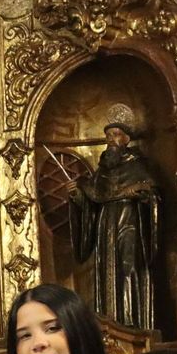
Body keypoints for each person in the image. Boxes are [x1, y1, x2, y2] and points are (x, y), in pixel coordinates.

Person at [66, 121, 160, 332]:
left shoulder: (138, 166)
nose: (111, 140)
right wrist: (77, 195)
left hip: (129, 224)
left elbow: (152, 194)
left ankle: (131, 323)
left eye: (116, 135)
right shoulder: (102, 171)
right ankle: (108, 321)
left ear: (126, 139)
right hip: (105, 225)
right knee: (106, 271)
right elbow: (93, 199)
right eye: (108, 135)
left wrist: (144, 195)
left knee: (129, 269)